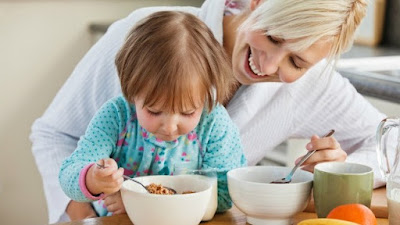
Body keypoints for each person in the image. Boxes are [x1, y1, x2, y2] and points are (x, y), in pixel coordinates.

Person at [30, 0, 388, 223]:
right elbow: (54, 133)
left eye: (296, 61)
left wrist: (337, 168)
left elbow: (392, 140)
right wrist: (80, 214)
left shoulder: (313, 86)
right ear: (257, 2)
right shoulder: (141, 37)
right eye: (274, 37)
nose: (267, 66)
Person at [58, 10, 246, 217]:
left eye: (187, 112)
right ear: (131, 91)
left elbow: (226, 193)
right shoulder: (117, 117)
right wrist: (93, 179)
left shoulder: (213, 122)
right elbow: (70, 173)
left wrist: (138, 200)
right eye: (154, 111)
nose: (169, 126)